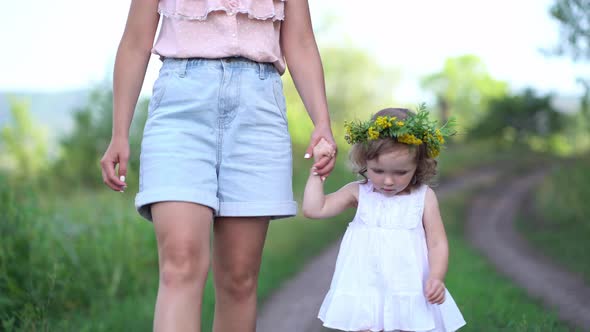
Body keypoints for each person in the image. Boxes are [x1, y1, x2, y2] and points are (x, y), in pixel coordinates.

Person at [99, 0, 337, 331]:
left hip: (259, 108)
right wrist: (119, 133)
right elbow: (136, 40)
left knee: (239, 277)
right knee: (180, 263)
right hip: (181, 105)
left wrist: (321, 122)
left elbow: (300, 41)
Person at [303, 107, 466, 332]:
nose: (388, 181)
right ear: (364, 161)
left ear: (418, 166)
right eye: (378, 171)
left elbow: (437, 243)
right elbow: (314, 209)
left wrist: (436, 277)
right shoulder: (358, 192)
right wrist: (318, 173)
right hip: (366, 287)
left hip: (408, 288)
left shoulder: (423, 197)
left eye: (400, 173)